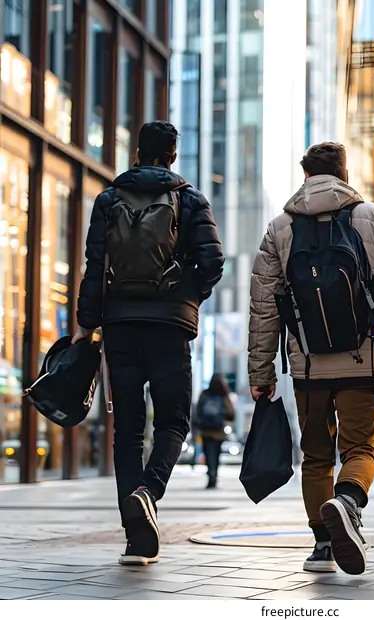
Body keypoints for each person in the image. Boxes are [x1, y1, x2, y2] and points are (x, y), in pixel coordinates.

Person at [248, 142, 374, 575]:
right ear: (344, 175)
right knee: (361, 447)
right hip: (363, 359)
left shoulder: (279, 227)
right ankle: (346, 501)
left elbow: (264, 306)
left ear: (305, 177)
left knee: (316, 456)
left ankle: (323, 545)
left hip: (306, 364)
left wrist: (260, 372)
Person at [74, 121, 224, 566]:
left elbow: (95, 263)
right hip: (169, 328)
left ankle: (135, 540)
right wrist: (185, 294)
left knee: (127, 432)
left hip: (119, 326)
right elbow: (213, 264)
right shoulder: (190, 198)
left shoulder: (108, 199)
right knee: (174, 423)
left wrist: (87, 324)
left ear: (138, 152)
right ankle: (148, 491)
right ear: (173, 155)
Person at [193, 373, 236, 489]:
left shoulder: (204, 394)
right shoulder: (224, 395)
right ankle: (214, 475)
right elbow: (231, 414)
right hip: (218, 433)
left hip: (206, 431)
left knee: (208, 454)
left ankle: (211, 475)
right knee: (216, 455)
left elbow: (197, 411)